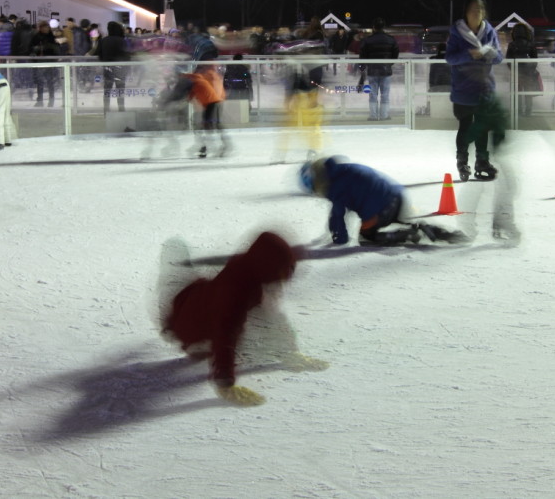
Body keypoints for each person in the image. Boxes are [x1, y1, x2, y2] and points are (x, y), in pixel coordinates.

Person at [161, 231, 324, 406]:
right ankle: (193, 342)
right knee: (227, 343)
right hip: (192, 328)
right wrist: (225, 383)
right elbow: (225, 334)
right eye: (282, 274)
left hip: (199, 302)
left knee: (260, 326)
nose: (283, 281)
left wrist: (290, 351)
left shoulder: (249, 271)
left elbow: (272, 315)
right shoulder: (235, 292)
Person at [300, 156, 468, 245]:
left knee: (366, 237)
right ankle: (439, 233)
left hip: (380, 209)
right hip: (396, 196)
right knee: (394, 218)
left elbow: (338, 215)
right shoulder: (343, 170)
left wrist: (339, 238)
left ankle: (407, 234)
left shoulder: (335, 187)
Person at [445, 0, 504, 181]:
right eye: (472, 10)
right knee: (465, 126)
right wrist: (469, 55)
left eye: (479, 10)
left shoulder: (489, 32)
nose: (476, 13)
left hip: (484, 88)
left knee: (482, 127)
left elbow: (499, 57)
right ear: (466, 13)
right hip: (463, 88)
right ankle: (462, 161)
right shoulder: (456, 33)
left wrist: (488, 53)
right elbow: (450, 58)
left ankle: (482, 161)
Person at [358, 17, 399, 121]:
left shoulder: (367, 40)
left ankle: (373, 116)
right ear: (383, 27)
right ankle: (384, 115)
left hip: (372, 71)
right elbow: (395, 55)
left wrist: (364, 68)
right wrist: (389, 64)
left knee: (373, 94)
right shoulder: (391, 39)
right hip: (386, 71)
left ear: (373, 27)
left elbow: (362, 56)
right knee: (385, 94)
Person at [505, 23, 540, 117]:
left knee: (518, 92)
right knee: (528, 92)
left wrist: (513, 70)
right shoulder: (531, 44)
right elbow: (535, 59)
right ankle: (528, 112)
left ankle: (519, 111)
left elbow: (508, 59)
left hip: (517, 73)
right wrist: (531, 70)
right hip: (528, 72)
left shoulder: (512, 44)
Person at [98, 21, 131, 113]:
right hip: (120, 68)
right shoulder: (122, 41)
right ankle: (121, 110)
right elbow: (127, 55)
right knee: (120, 90)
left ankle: (106, 111)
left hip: (107, 68)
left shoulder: (103, 40)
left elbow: (100, 55)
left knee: (107, 90)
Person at [29, 21, 60, 107]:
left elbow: (55, 49)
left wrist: (49, 47)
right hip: (40, 62)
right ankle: (40, 100)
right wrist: (36, 51)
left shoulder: (51, 37)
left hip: (49, 62)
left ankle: (51, 100)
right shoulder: (36, 37)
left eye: (46, 27)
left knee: (50, 81)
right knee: (40, 82)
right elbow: (31, 48)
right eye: (43, 27)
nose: (45, 29)